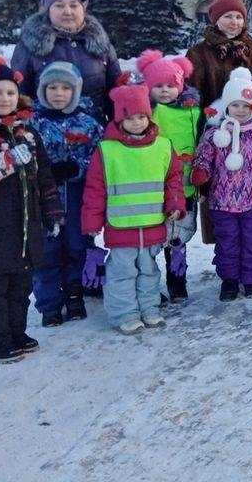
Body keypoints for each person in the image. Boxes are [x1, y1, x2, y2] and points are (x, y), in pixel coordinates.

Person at [0, 56, 62, 362]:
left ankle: (15, 332)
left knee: (20, 283)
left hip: (25, 225)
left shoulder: (27, 133)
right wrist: (7, 161)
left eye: (10, 92)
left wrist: (52, 211)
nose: (4, 99)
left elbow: (44, 177)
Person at [82, 84, 185, 335]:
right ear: (119, 120)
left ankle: (149, 308)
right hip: (121, 226)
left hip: (152, 223)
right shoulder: (107, 150)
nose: (136, 122)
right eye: (129, 118)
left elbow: (173, 179)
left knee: (149, 271)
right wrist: (92, 221)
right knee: (122, 274)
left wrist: (174, 204)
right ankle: (125, 314)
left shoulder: (163, 146)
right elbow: (95, 188)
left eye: (141, 116)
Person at [191, 68, 252, 301]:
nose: (241, 110)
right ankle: (230, 280)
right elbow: (204, 156)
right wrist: (201, 171)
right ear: (226, 106)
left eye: (246, 105)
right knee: (227, 243)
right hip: (222, 203)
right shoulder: (215, 134)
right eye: (235, 105)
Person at [29, 62, 102, 326]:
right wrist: (45, 170)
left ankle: (75, 294)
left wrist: (77, 167)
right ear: (42, 90)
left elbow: (100, 158)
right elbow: (24, 158)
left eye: (65, 88)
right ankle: (49, 304)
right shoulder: (32, 123)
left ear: (75, 91)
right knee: (46, 253)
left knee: (78, 246)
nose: (58, 93)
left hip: (77, 196)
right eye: (52, 87)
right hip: (44, 200)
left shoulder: (88, 123)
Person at [11, 0, 121, 122]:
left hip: (94, 130)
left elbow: (116, 94)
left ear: (83, 9)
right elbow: (19, 94)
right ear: (48, 10)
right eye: (59, 5)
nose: (67, 11)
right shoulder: (30, 44)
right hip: (45, 130)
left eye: (74, 5)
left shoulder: (100, 43)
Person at [138, 50, 201, 301]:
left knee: (179, 238)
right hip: (155, 185)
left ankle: (177, 281)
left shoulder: (193, 111)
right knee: (154, 236)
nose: (165, 90)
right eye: (158, 86)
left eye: (170, 85)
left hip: (185, 184)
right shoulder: (146, 111)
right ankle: (149, 284)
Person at [186, 0, 252, 115]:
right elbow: (191, 92)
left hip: (248, 118)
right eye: (228, 16)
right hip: (213, 118)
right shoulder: (198, 53)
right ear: (216, 20)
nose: (234, 22)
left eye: (239, 17)